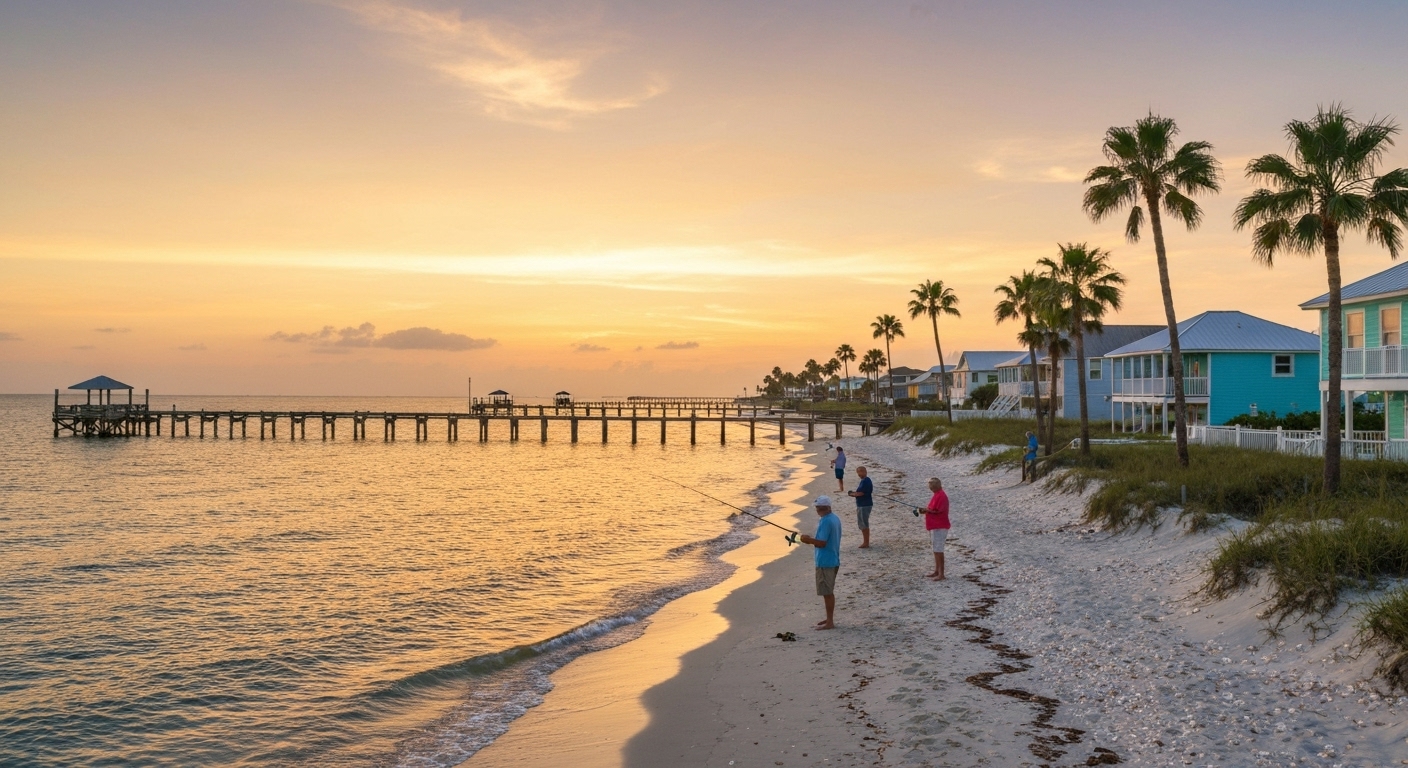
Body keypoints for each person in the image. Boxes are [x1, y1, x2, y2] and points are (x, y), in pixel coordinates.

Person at [798, 495, 842, 629]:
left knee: (827, 593)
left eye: (819, 508)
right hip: (833, 559)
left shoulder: (826, 521)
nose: (818, 510)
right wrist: (810, 539)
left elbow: (822, 543)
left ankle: (830, 622)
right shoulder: (835, 518)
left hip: (825, 561)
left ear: (826, 508)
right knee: (828, 592)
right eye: (818, 508)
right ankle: (829, 619)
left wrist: (807, 540)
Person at [924, 477, 950, 580]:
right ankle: (936, 570)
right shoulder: (936, 494)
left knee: (939, 549)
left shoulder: (942, 496)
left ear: (937, 486)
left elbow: (938, 511)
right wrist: (924, 510)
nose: (931, 489)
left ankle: (941, 574)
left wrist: (927, 511)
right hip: (934, 526)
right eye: (931, 487)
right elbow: (932, 509)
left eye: (933, 487)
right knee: (935, 549)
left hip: (940, 526)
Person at [847, 466, 873, 548]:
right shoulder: (864, 481)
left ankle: (866, 542)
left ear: (865, 471)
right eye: (858, 472)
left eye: (861, 471)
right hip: (863, 504)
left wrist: (852, 494)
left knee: (863, 523)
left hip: (864, 505)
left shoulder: (866, 481)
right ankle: (866, 542)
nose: (860, 473)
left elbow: (861, 493)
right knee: (863, 523)